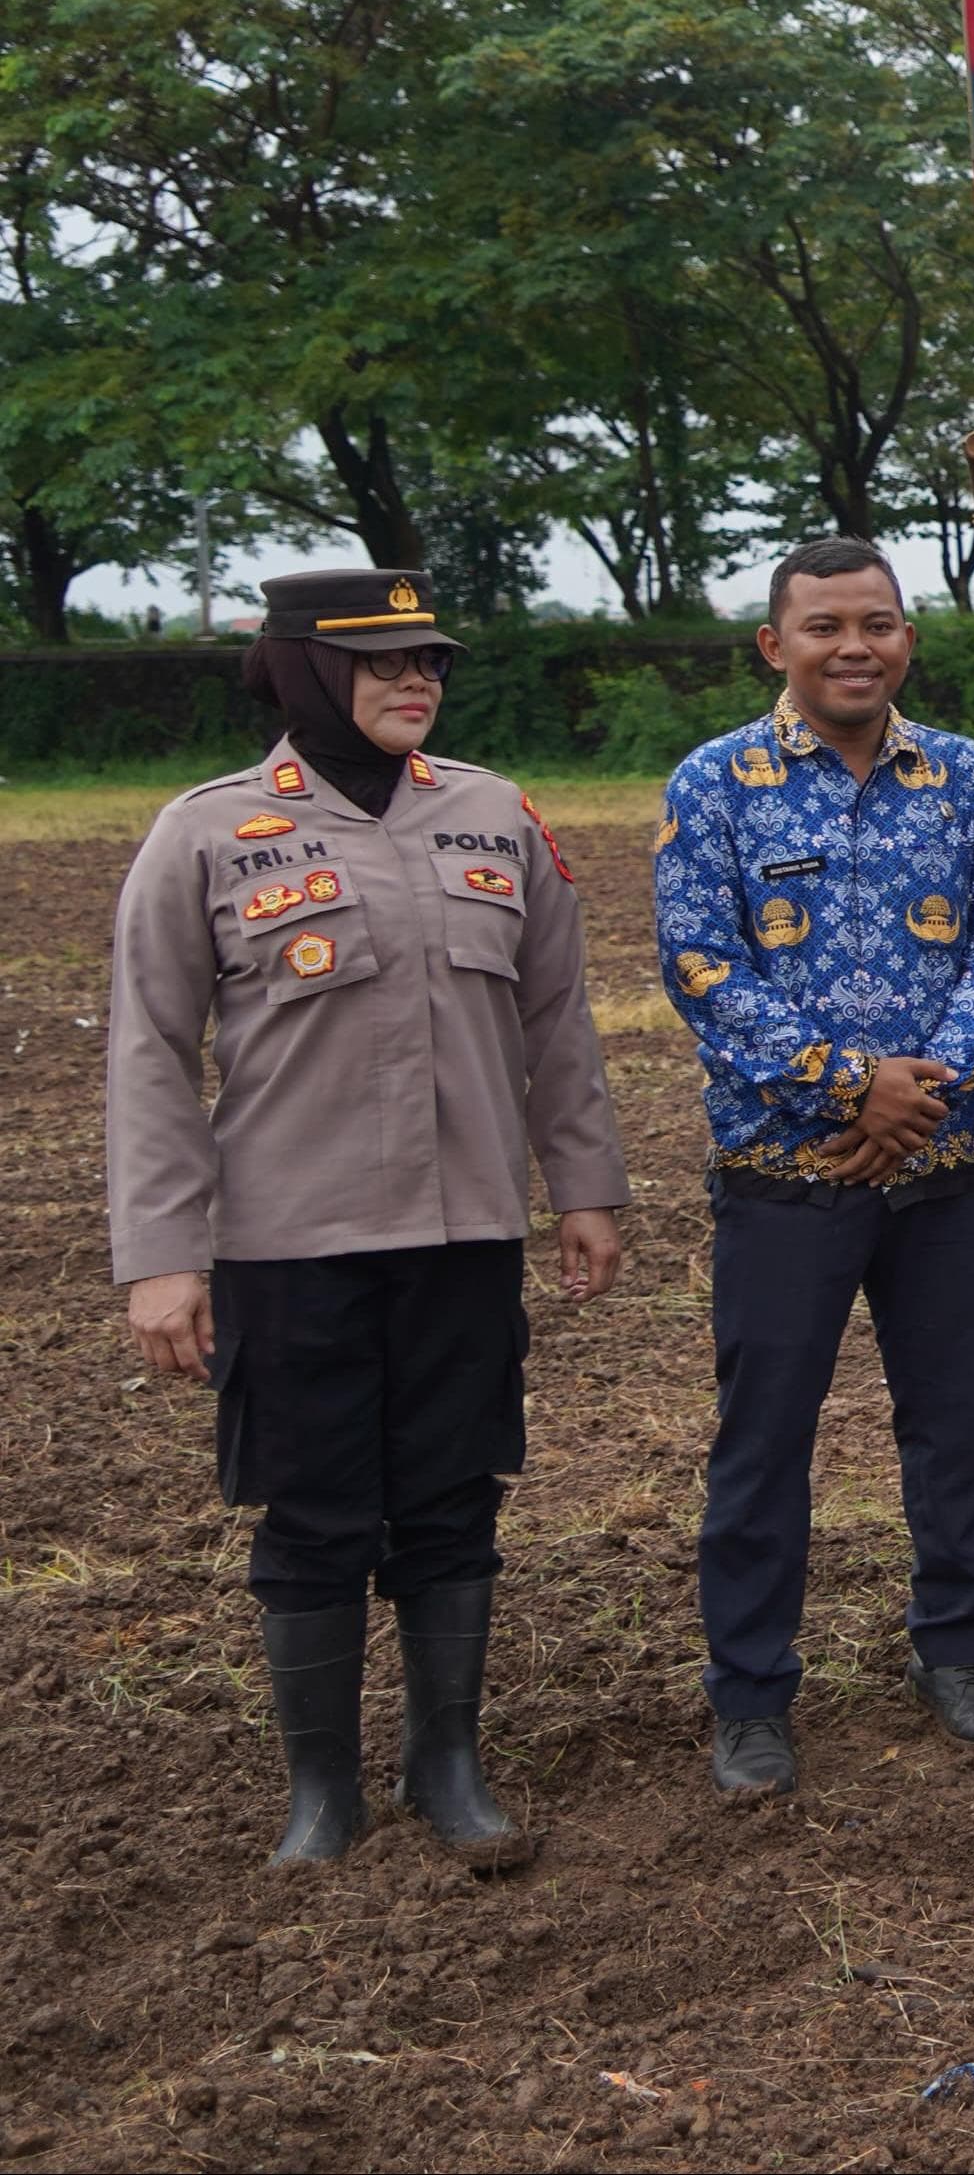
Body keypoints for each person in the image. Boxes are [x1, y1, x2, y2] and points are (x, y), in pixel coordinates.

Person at [104, 567, 628, 1865]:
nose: (415, 681)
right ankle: (322, 1790)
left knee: (453, 1501)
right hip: (293, 1247)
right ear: (302, 670)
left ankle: (446, 1762)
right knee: (316, 1511)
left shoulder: (494, 814)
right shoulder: (207, 832)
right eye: (382, 660)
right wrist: (162, 1255)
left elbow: (556, 1020)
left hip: (463, 1235)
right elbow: (149, 1050)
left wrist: (584, 1186)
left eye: (430, 659)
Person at [656, 537, 974, 1798]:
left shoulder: (965, 777)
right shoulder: (715, 782)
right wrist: (848, 1084)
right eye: (824, 626)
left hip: (944, 1165)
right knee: (763, 1441)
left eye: (877, 622)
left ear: (908, 638)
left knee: (952, 1424)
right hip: (786, 1170)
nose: (853, 646)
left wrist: (920, 1095)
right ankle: (751, 1692)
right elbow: (702, 966)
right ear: (777, 644)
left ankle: (957, 1650)